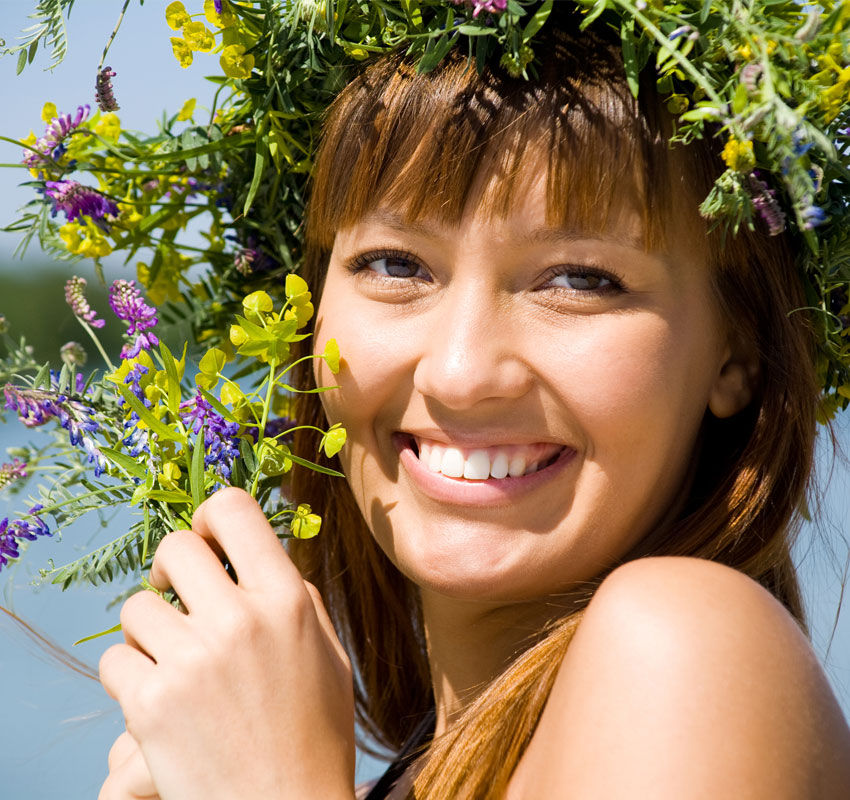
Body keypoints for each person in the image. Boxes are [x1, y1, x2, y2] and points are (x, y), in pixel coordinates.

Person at [97, 15, 850, 800]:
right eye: (396, 264)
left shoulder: (685, 644)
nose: (460, 375)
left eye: (579, 280)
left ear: (738, 354)